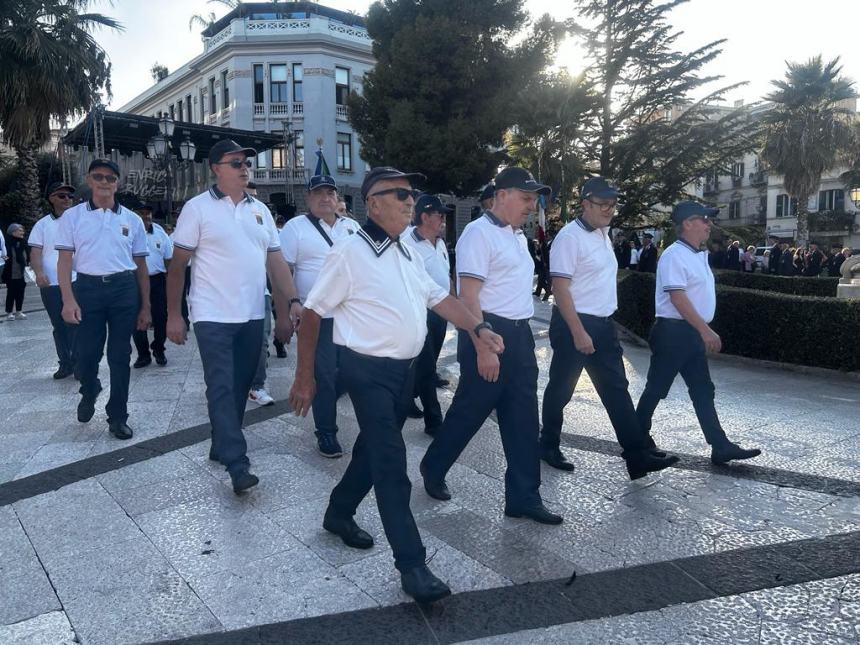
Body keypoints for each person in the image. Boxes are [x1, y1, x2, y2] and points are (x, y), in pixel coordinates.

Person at [288, 166, 505, 603]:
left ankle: (339, 512)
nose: (411, 201)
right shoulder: (350, 252)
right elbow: (312, 314)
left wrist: (478, 328)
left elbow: (440, 298)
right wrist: (305, 376)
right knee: (391, 462)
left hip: (403, 373)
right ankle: (412, 564)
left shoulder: (404, 251)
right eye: (400, 194)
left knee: (372, 450)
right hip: (365, 371)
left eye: (412, 194)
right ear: (373, 203)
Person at [421, 166, 564, 526]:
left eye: (534, 199)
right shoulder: (477, 234)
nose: (532, 205)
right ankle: (433, 466)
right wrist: (483, 347)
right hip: (488, 333)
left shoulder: (517, 236)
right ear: (501, 195)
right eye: (526, 198)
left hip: (520, 334)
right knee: (470, 411)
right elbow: (469, 296)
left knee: (523, 418)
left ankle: (523, 497)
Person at [166, 139, 298, 493]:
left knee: (240, 386)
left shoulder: (261, 211)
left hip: (253, 313)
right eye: (235, 162)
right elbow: (177, 266)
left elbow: (276, 263)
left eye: (246, 163)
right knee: (222, 385)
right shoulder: (197, 209)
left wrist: (291, 304)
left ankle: (220, 439)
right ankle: (238, 463)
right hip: (212, 315)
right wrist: (174, 316)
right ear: (216, 169)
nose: (244, 168)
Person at [539, 177, 679, 478]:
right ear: (585, 203)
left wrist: (602, 325)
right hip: (574, 323)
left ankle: (637, 456)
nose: (609, 210)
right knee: (561, 389)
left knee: (616, 389)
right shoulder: (569, 237)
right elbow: (560, 288)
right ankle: (547, 444)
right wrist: (578, 332)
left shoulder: (604, 233)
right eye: (603, 204)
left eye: (613, 205)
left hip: (602, 324)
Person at [635, 201, 761, 465]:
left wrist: (700, 329)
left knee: (703, 389)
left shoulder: (694, 254)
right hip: (674, 333)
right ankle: (636, 440)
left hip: (688, 333)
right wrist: (705, 330)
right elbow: (677, 297)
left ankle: (720, 445)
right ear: (688, 223)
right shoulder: (674, 254)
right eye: (704, 220)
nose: (709, 224)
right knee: (656, 389)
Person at [56, 158, 151, 441]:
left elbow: (141, 267)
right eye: (98, 177)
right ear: (89, 180)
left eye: (110, 178)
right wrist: (67, 300)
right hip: (87, 289)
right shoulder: (73, 217)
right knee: (85, 356)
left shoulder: (132, 220)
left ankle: (118, 416)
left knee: (120, 356)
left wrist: (145, 306)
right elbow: (64, 261)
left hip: (123, 289)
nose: (105, 182)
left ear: (117, 182)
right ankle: (90, 389)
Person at [280, 174, 361, 457]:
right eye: (319, 193)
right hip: (317, 316)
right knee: (323, 375)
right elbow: (284, 269)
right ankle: (326, 432)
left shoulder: (351, 227)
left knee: (353, 372)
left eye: (330, 193)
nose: (325, 198)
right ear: (308, 198)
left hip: (350, 315)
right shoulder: (295, 228)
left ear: (337, 198)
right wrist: (291, 303)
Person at [402, 194, 453, 436]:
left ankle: (408, 396)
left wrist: (456, 303)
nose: (443, 219)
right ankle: (434, 420)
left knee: (426, 363)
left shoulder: (440, 243)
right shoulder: (406, 243)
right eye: (439, 215)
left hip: (440, 312)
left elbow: (446, 276)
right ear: (424, 216)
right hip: (419, 313)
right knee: (425, 366)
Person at [28, 182, 78, 378]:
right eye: (62, 196)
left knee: (76, 322)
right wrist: (39, 273)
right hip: (52, 284)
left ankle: (79, 362)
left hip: (75, 280)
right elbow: (35, 252)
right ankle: (65, 363)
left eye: (69, 196)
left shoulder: (79, 222)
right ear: (51, 199)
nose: (67, 199)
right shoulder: (42, 225)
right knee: (59, 325)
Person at [245, 181, 277, 406]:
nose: (253, 198)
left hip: (260, 291)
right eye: (250, 194)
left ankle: (257, 386)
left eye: (255, 195)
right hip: (226, 294)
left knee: (261, 341)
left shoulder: (262, 213)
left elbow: (275, 258)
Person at [131, 201, 173, 368]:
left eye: (148, 213)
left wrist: (170, 282)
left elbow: (168, 259)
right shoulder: (129, 232)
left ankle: (158, 347)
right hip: (134, 281)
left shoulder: (160, 233)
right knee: (137, 319)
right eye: (141, 213)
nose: (145, 216)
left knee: (161, 317)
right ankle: (143, 355)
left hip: (157, 280)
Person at [3, 224, 30, 320]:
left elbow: (27, 255)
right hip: (11, 272)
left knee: (20, 293)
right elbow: (5, 257)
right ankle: (9, 312)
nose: (22, 232)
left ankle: (19, 311)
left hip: (22, 272)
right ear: (13, 232)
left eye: (22, 230)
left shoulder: (23, 242)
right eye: (20, 230)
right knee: (11, 293)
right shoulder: (7, 243)